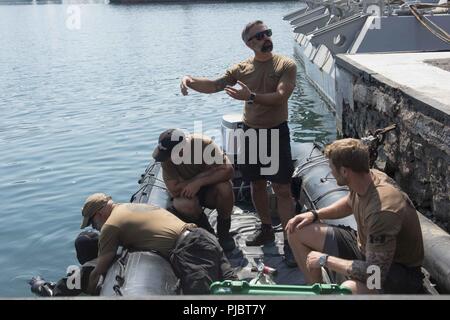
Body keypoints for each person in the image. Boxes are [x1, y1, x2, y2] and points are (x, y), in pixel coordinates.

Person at [180, 20, 298, 267]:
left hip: (276, 132)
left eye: (268, 33)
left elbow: (280, 96)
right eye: (259, 35)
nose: (266, 37)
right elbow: (215, 85)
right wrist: (190, 80)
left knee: (283, 189)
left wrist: (250, 96)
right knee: (256, 185)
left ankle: (290, 240)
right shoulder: (241, 68)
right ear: (249, 43)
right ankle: (266, 228)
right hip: (250, 133)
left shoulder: (285, 64)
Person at [286, 138, 424, 294]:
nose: (330, 172)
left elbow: (374, 273)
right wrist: (314, 214)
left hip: (397, 273)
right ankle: (318, 293)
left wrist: (324, 260)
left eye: (331, 167)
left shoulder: (383, 211)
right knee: (295, 230)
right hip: (365, 249)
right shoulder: (365, 178)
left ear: (345, 171)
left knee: (348, 290)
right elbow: (350, 201)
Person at [80, 193, 237, 295]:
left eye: (93, 224)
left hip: (190, 250)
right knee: (236, 288)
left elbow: (100, 268)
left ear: (98, 214)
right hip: (203, 237)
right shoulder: (130, 208)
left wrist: (91, 289)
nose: (96, 229)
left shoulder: (111, 225)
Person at [152, 129, 236, 252]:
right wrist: (198, 180)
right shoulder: (166, 159)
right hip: (187, 193)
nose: (170, 159)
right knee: (185, 204)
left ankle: (224, 233)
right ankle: (207, 233)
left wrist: (199, 182)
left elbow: (228, 171)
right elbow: (174, 190)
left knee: (225, 188)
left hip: (209, 189)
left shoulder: (203, 144)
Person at [29, 230, 99, 297]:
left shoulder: (81, 274)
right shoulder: (107, 263)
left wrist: (38, 284)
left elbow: (55, 294)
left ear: (79, 255)